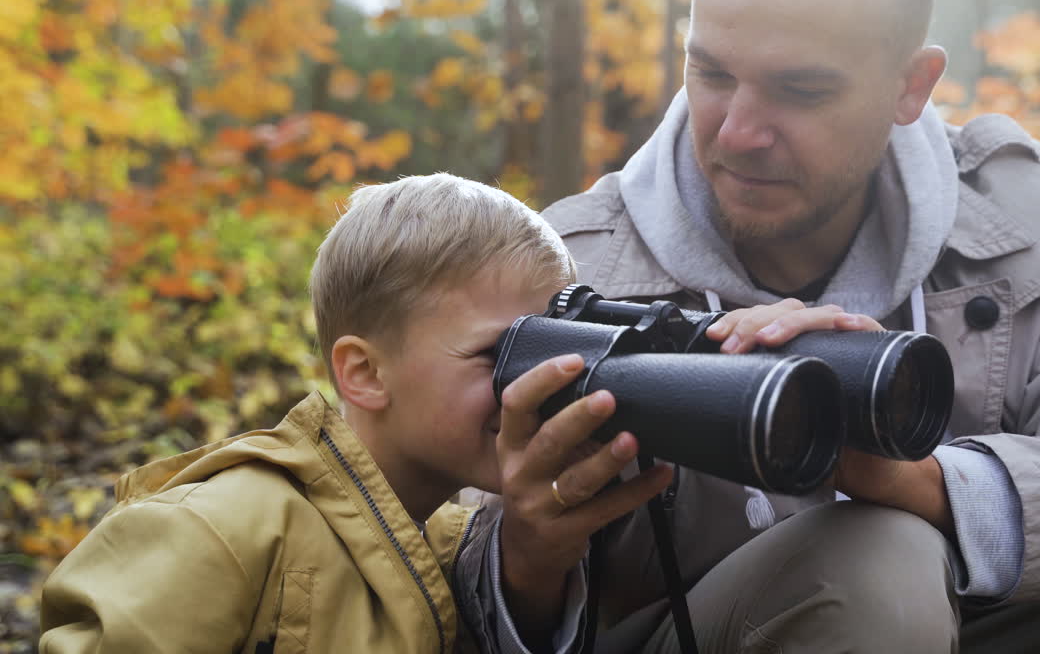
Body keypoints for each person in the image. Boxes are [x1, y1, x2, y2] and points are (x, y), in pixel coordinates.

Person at [496, 0, 1040, 652]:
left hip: (999, 624)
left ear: (911, 86)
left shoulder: (1017, 210)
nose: (738, 131)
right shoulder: (567, 268)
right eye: (712, 73)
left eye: (799, 90)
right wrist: (525, 559)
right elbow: (452, 585)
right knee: (880, 562)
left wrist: (921, 481)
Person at [38, 173, 670, 653]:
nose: (535, 382)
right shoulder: (225, 528)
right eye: (499, 352)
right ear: (365, 373)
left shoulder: (462, 551)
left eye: (550, 349)